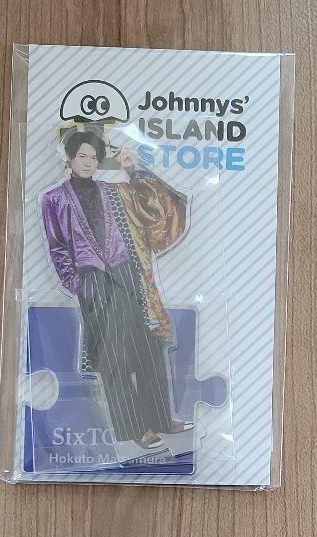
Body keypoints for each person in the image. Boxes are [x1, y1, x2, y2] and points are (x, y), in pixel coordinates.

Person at [39, 128, 193, 453]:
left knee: (150, 346)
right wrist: (77, 283)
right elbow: (57, 247)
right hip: (93, 280)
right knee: (113, 354)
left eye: (94, 157)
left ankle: (161, 419)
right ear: (69, 158)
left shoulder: (112, 191)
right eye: (82, 156)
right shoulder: (53, 199)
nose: (88, 162)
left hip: (126, 273)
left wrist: (133, 168)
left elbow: (154, 207)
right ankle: (133, 429)